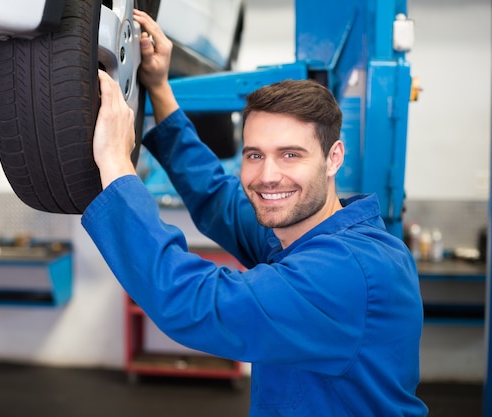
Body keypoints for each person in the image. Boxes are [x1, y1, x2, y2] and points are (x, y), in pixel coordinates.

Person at [82, 10, 429, 417]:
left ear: (334, 158)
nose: (268, 176)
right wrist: (159, 88)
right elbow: (218, 198)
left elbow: (195, 302)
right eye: (254, 155)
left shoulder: (348, 270)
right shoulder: (304, 235)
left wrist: (115, 163)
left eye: (290, 155)